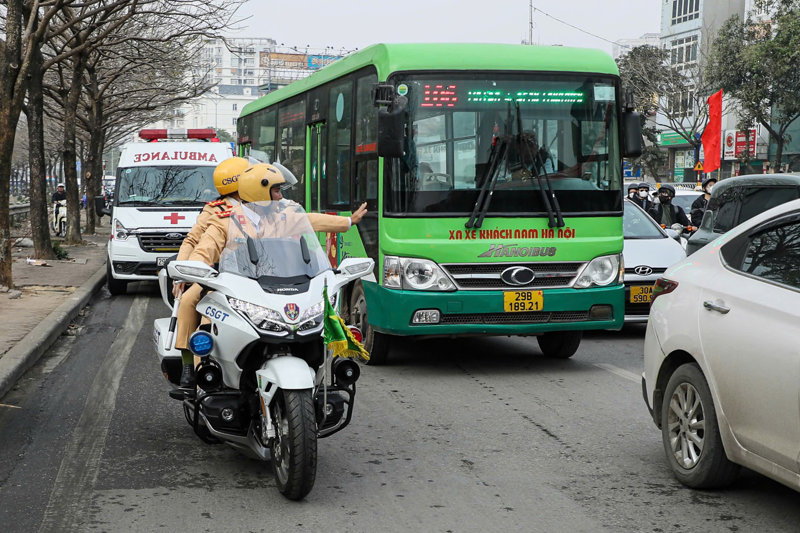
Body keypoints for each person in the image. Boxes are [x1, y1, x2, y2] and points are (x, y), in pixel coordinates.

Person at [176, 163, 367, 387]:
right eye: (276, 191)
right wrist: (191, 270)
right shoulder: (224, 219)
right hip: (233, 283)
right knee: (204, 313)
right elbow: (203, 249)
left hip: (277, 284)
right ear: (258, 192)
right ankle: (199, 373)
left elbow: (311, 221)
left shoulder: (281, 216)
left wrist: (349, 221)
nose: (280, 196)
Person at [172, 156, 250, 388]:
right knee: (188, 300)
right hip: (219, 275)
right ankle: (190, 365)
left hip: (255, 275)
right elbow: (192, 240)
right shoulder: (215, 209)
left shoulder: (262, 206)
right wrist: (182, 274)